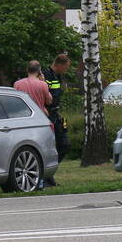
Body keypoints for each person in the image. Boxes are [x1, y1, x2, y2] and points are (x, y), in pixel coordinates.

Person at [41, 54, 71, 184]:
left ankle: (49, 173)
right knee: (52, 146)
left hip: (55, 114)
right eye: (66, 67)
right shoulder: (47, 75)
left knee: (64, 145)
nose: (66, 70)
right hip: (47, 115)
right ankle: (46, 176)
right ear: (59, 64)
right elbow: (44, 94)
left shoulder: (57, 76)